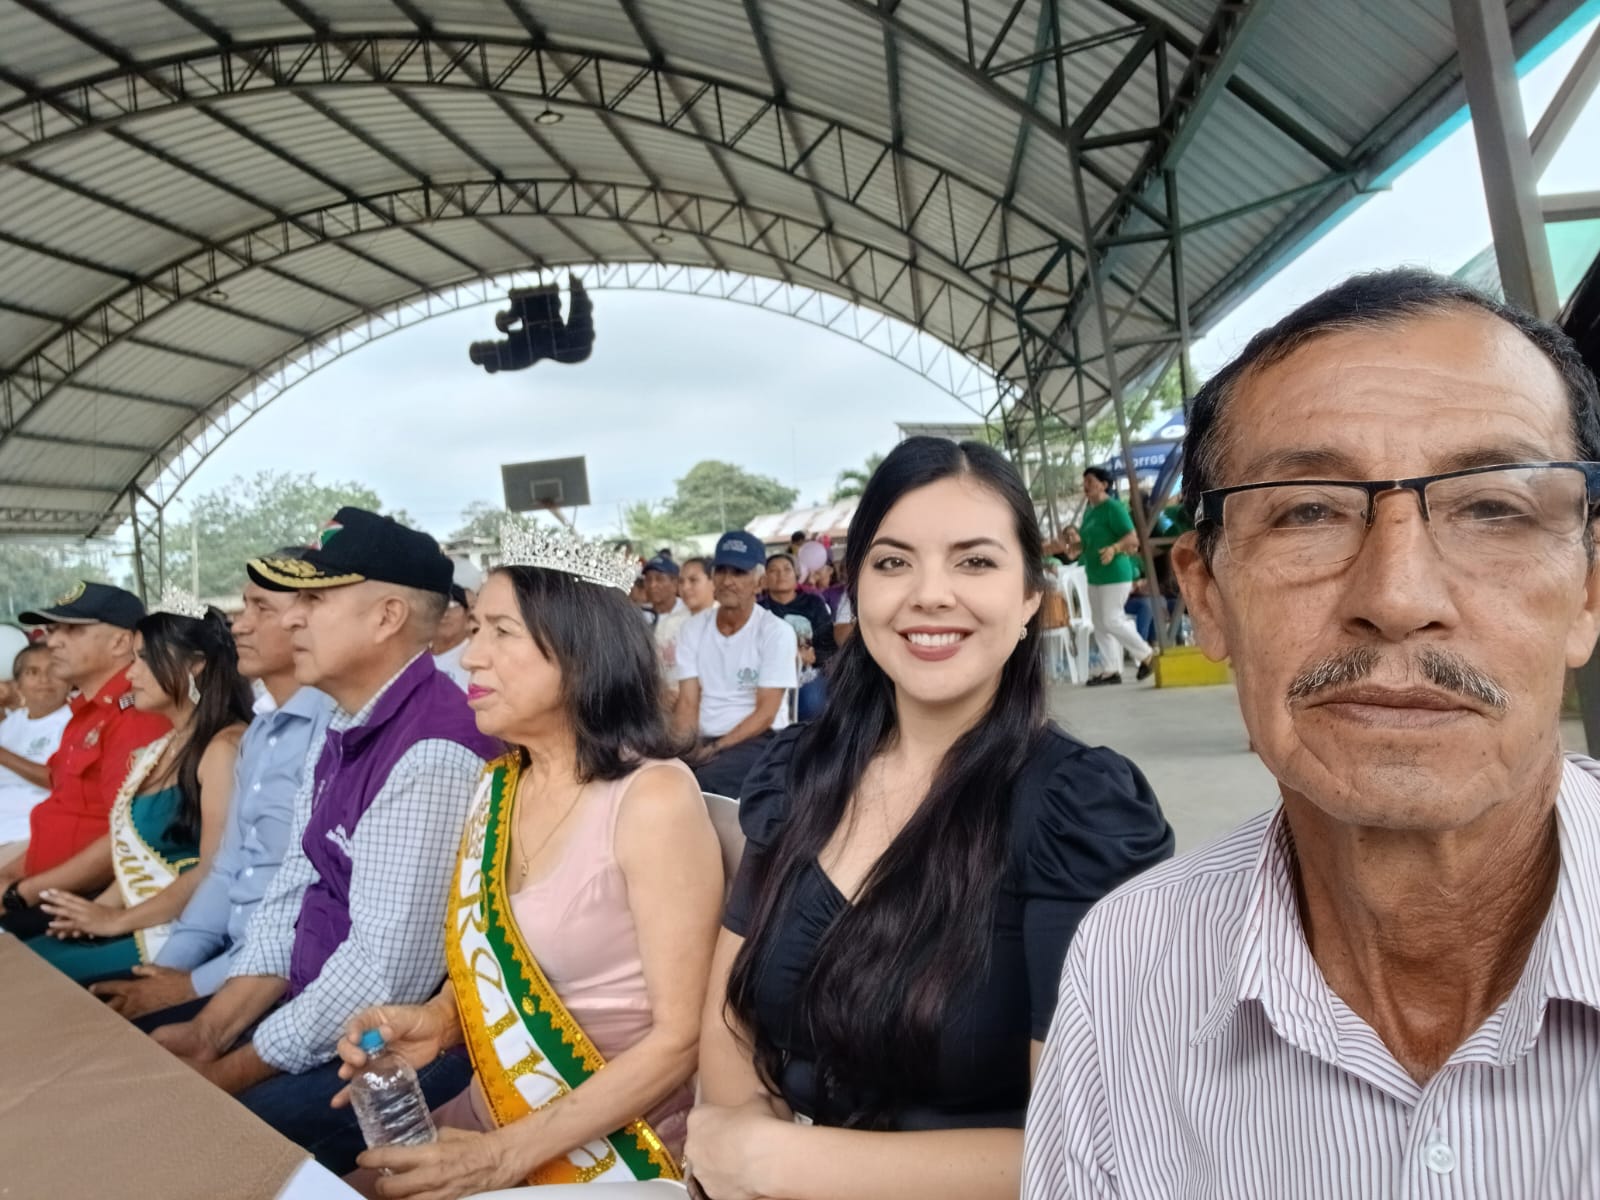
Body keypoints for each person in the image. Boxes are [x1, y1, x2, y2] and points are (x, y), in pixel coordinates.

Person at [1023, 270, 1600, 1198]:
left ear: (1589, 591)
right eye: (1309, 511)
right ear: (1208, 599)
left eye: (1492, 507)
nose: (1398, 597)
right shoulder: (1128, 965)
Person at [686, 438, 1173, 1200]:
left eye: (974, 562)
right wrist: (744, 1133)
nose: (930, 595)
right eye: (893, 562)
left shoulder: (1078, 814)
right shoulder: (800, 774)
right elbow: (729, 1019)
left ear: (1028, 598)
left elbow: (1090, 1147)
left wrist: (779, 1161)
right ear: (857, 590)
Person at [332, 522, 723, 1196]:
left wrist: (498, 1160)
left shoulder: (653, 798)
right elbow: (500, 959)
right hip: (497, 1114)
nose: (470, 657)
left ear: (578, 649)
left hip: (615, 1150)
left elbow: (681, 1038)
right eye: (474, 630)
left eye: (500, 632)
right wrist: (440, 1021)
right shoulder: (498, 786)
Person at [150, 508, 500, 1173]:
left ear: (387, 617)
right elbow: (293, 892)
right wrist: (209, 1031)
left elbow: (381, 977)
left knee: (189, 1146)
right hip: (318, 1014)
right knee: (145, 1072)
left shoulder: (431, 750)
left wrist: (227, 1071)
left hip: (390, 1047)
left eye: (314, 600)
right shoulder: (346, 721)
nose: (292, 620)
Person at [92, 551, 335, 1025]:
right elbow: (228, 871)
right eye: (243, 608)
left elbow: (306, 902)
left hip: (279, 984)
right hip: (226, 956)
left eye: (261, 609)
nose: (238, 626)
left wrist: (186, 985)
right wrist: (166, 971)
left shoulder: (327, 733)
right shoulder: (262, 735)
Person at [29, 597, 252, 983]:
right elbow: (134, 858)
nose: (131, 674)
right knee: (22, 957)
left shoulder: (223, 748)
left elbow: (214, 870)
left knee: (26, 977)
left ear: (195, 665)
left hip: (180, 931)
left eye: (145, 659)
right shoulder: (163, 747)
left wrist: (115, 921)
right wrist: (90, 916)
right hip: (138, 918)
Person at [0, 583, 171, 935]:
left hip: (83, 902)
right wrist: (11, 876)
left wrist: (20, 893)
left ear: (120, 642)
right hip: (40, 887)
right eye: (53, 630)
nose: (53, 641)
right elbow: (63, 808)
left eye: (72, 630)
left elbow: (130, 836)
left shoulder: (137, 714)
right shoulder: (86, 714)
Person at [673, 532, 799, 798]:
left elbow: (766, 713)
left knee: (704, 783)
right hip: (705, 739)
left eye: (739, 572)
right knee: (664, 776)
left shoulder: (775, 632)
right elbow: (687, 702)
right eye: (722, 571)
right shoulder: (692, 629)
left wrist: (714, 748)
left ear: (759, 582)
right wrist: (682, 751)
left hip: (760, 738)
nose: (728, 581)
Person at [1076, 467, 1154, 685]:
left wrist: (1114, 548)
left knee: (1112, 619)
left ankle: (1147, 655)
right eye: (1084, 481)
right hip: (1095, 574)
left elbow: (1132, 538)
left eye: (1090, 481)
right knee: (1100, 623)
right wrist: (1074, 546)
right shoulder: (1090, 511)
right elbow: (1087, 542)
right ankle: (1111, 670)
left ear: (1104, 485)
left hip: (1115, 574)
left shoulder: (1113, 508)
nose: (1086, 485)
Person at [0, 643, 71, 861]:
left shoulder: (75, 723)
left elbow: (60, 780)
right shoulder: (10, 724)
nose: (44, 680)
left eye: (53, 670)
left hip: (28, 830)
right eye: (33, 672)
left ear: (70, 681)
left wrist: (4, 756)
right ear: (17, 685)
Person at [432, 559, 483, 690]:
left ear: (469, 614)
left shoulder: (477, 661)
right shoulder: (412, 657)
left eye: (453, 605)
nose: (445, 613)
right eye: (439, 604)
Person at [642, 554, 692, 675]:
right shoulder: (640, 615)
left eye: (659, 579)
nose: (652, 585)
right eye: (648, 580)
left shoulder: (689, 614)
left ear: (675, 584)